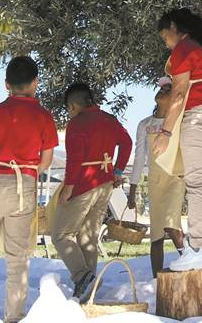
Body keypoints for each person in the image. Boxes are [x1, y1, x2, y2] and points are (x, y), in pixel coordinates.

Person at [0, 56, 59, 323]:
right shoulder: (43, 116)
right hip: (22, 184)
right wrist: (28, 172)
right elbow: (47, 160)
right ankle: (14, 316)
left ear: (7, 84)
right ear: (35, 83)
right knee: (17, 257)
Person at [153, 8, 202, 271]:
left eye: (165, 35)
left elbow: (178, 94)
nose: (166, 42)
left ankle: (199, 247)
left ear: (175, 27)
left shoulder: (184, 48)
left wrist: (165, 133)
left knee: (198, 184)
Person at [51, 83, 133, 300]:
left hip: (83, 184)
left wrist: (68, 187)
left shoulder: (77, 123)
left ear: (73, 105)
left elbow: (75, 159)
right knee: (88, 236)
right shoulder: (109, 119)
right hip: (105, 183)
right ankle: (88, 290)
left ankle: (82, 276)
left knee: (60, 234)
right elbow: (126, 143)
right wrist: (117, 170)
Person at [128, 78, 187, 275]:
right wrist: (133, 188)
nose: (162, 91)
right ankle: (157, 280)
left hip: (175, 178)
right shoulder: (145, 125)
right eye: (161, 88)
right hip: (154, 182)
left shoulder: (179, 123)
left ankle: (191, 263)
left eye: (168, 89)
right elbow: (139, 158)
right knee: (156, 236)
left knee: (171, 225)